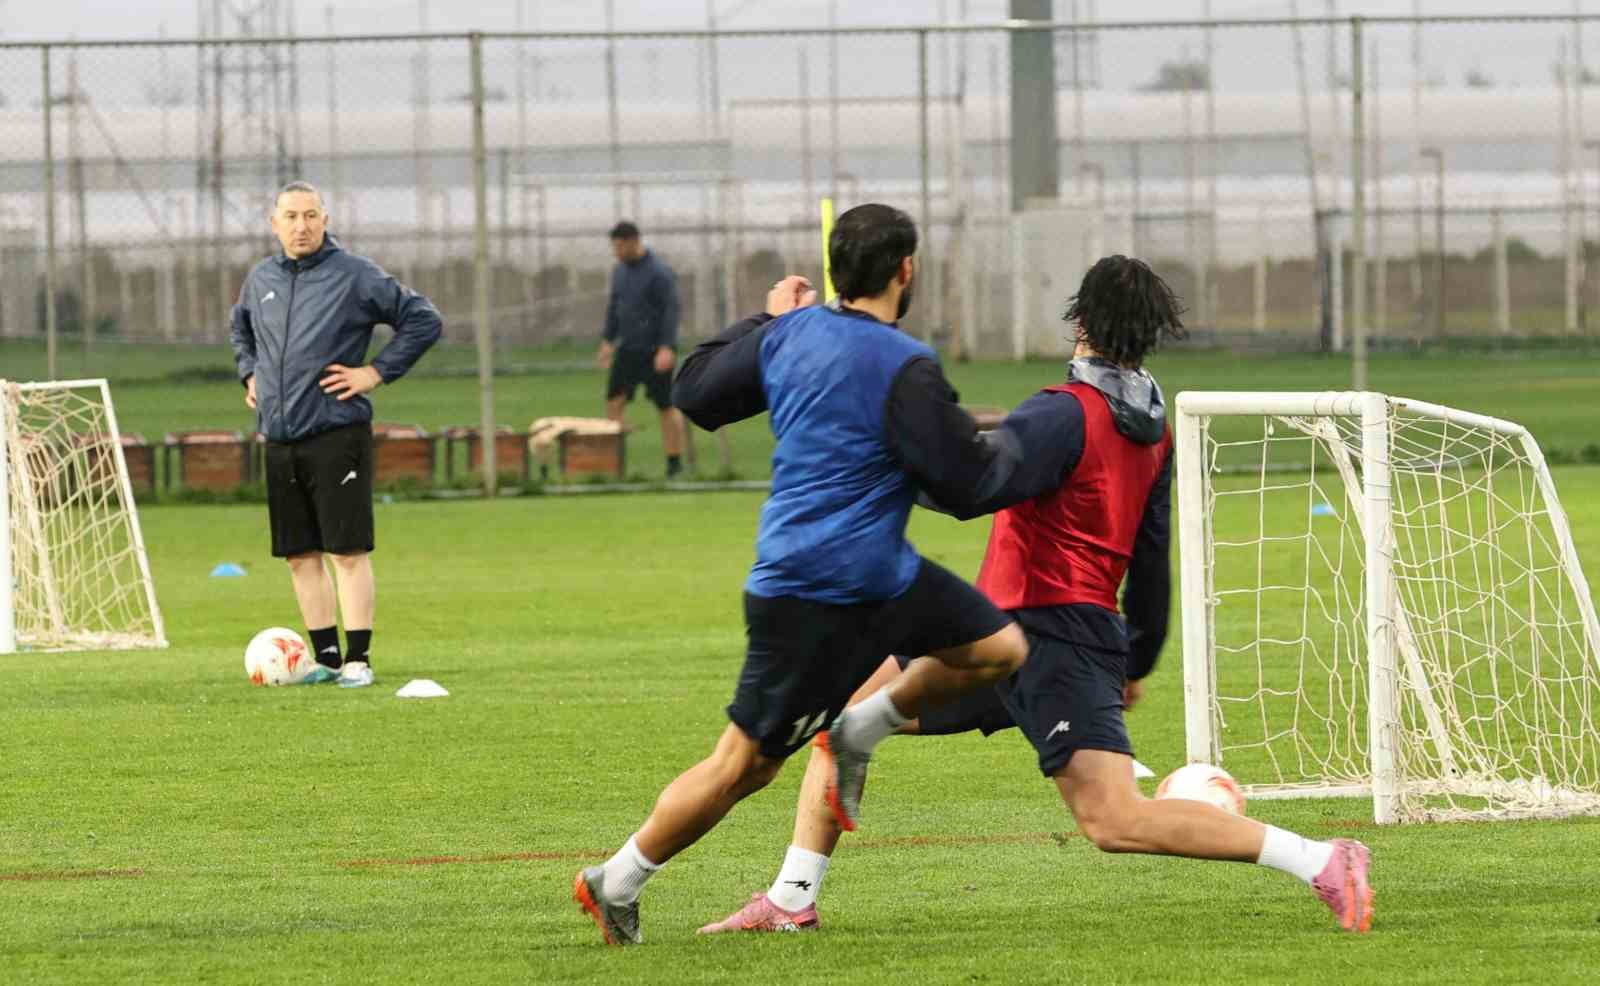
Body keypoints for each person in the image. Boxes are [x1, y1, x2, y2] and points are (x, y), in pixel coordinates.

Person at [705, 256, 1375, 936]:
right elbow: (1150, 560)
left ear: (1079, 321)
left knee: (1114, 821)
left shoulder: (1063, 414)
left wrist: (885, 459)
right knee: (846, 715)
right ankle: (792, 898)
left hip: (1050, 640)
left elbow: (974, 487)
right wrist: (1137, 661)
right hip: (1004, 634)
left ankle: (1322, 858)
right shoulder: (1155, 429)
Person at [571, 203, 1034, 946]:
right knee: (743, 768)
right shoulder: (906, 366)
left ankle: (860, 726)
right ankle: (615, 881)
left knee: (1000, 649)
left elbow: (695, 393)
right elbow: (963, 488)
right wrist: (1019, 443)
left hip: (884, 577)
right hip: (814, 595)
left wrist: (763, 320)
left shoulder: (791, 335)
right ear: (906, 271)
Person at [229, 180, 442, 688]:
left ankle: (358, 660)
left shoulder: (354, 275)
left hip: (335, 433)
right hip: (280, 436)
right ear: (273, 222)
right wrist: (249, 373)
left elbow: (423, 319)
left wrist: (375, 372)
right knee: (301, 556)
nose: (300, 226)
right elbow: (240, 330)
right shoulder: (261, 279)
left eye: (310, 216)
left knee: (346, 552)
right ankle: (324, 659)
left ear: (325, 220)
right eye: (291, 217)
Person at [597, 221, 687, 477]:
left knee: (666, 406)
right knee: (614, 401)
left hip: (654, 350)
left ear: (634, 241)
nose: (616, 251)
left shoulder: (659, 273)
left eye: (620, 245)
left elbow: (671, 311)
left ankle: (674, 464)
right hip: (628, 349)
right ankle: (613, 464)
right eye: (614, 246)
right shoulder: (619, 272)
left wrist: (667, 347)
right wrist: (607, 341)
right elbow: (615, 308)